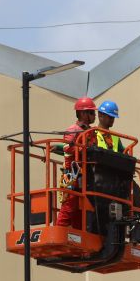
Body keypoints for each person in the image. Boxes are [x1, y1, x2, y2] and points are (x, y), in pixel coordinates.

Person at [56, 97, 97, 228]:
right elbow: (67, 148)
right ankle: (59, 232)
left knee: (81, 208)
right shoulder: (73, 129)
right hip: (72, 174)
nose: (94, 116)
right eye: (91, 113)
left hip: (85, 174)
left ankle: (78, 237)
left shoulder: (91, 132)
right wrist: (84, 149)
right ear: (82, 113)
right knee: (69, 206)